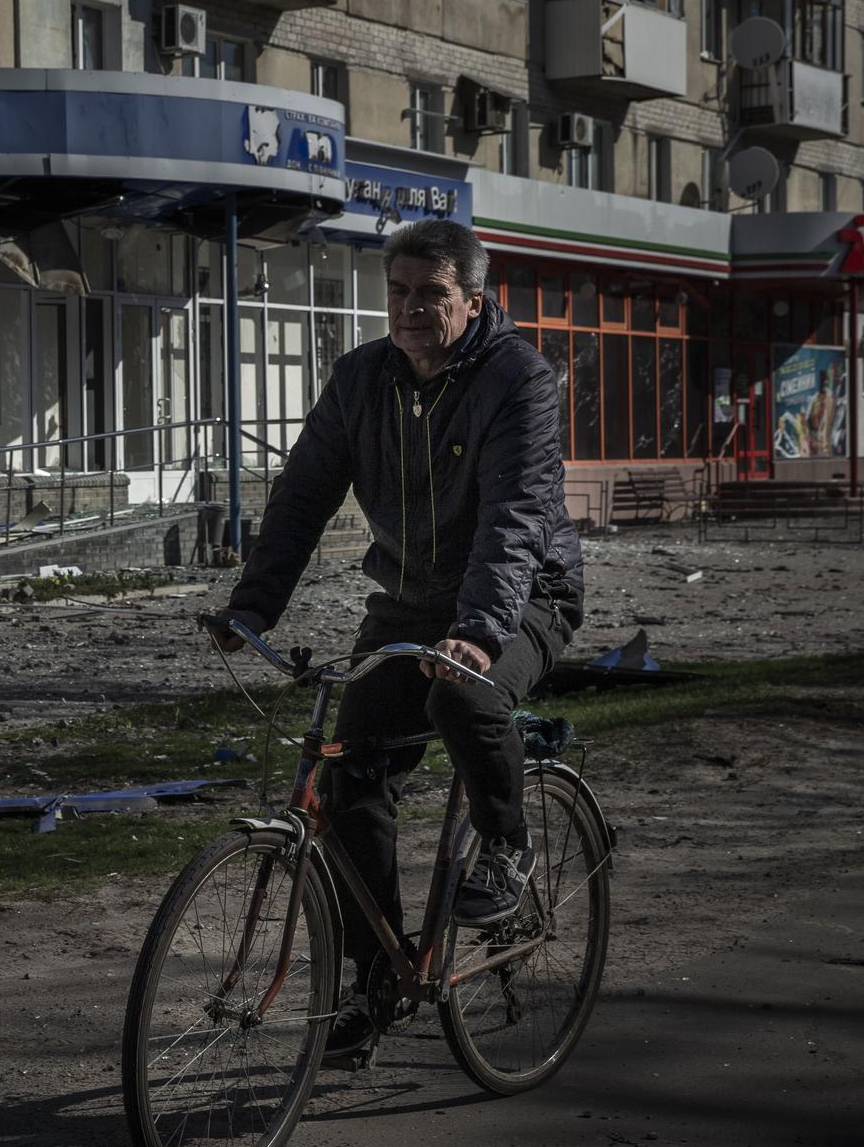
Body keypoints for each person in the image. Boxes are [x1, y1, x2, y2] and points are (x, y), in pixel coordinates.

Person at [208, 218, 584, 1062]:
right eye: (400, 292)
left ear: (474, 301)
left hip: (525, 594)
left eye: (433, 294)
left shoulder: (518, 380)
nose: (412, 310)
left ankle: (510, 844)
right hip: (412, 603)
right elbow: (302, 493)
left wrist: (482, 636)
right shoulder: (362, 380)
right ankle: (377, 982)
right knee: (345, 771)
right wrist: (253, 607)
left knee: (462, 692)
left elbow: (515, 521)